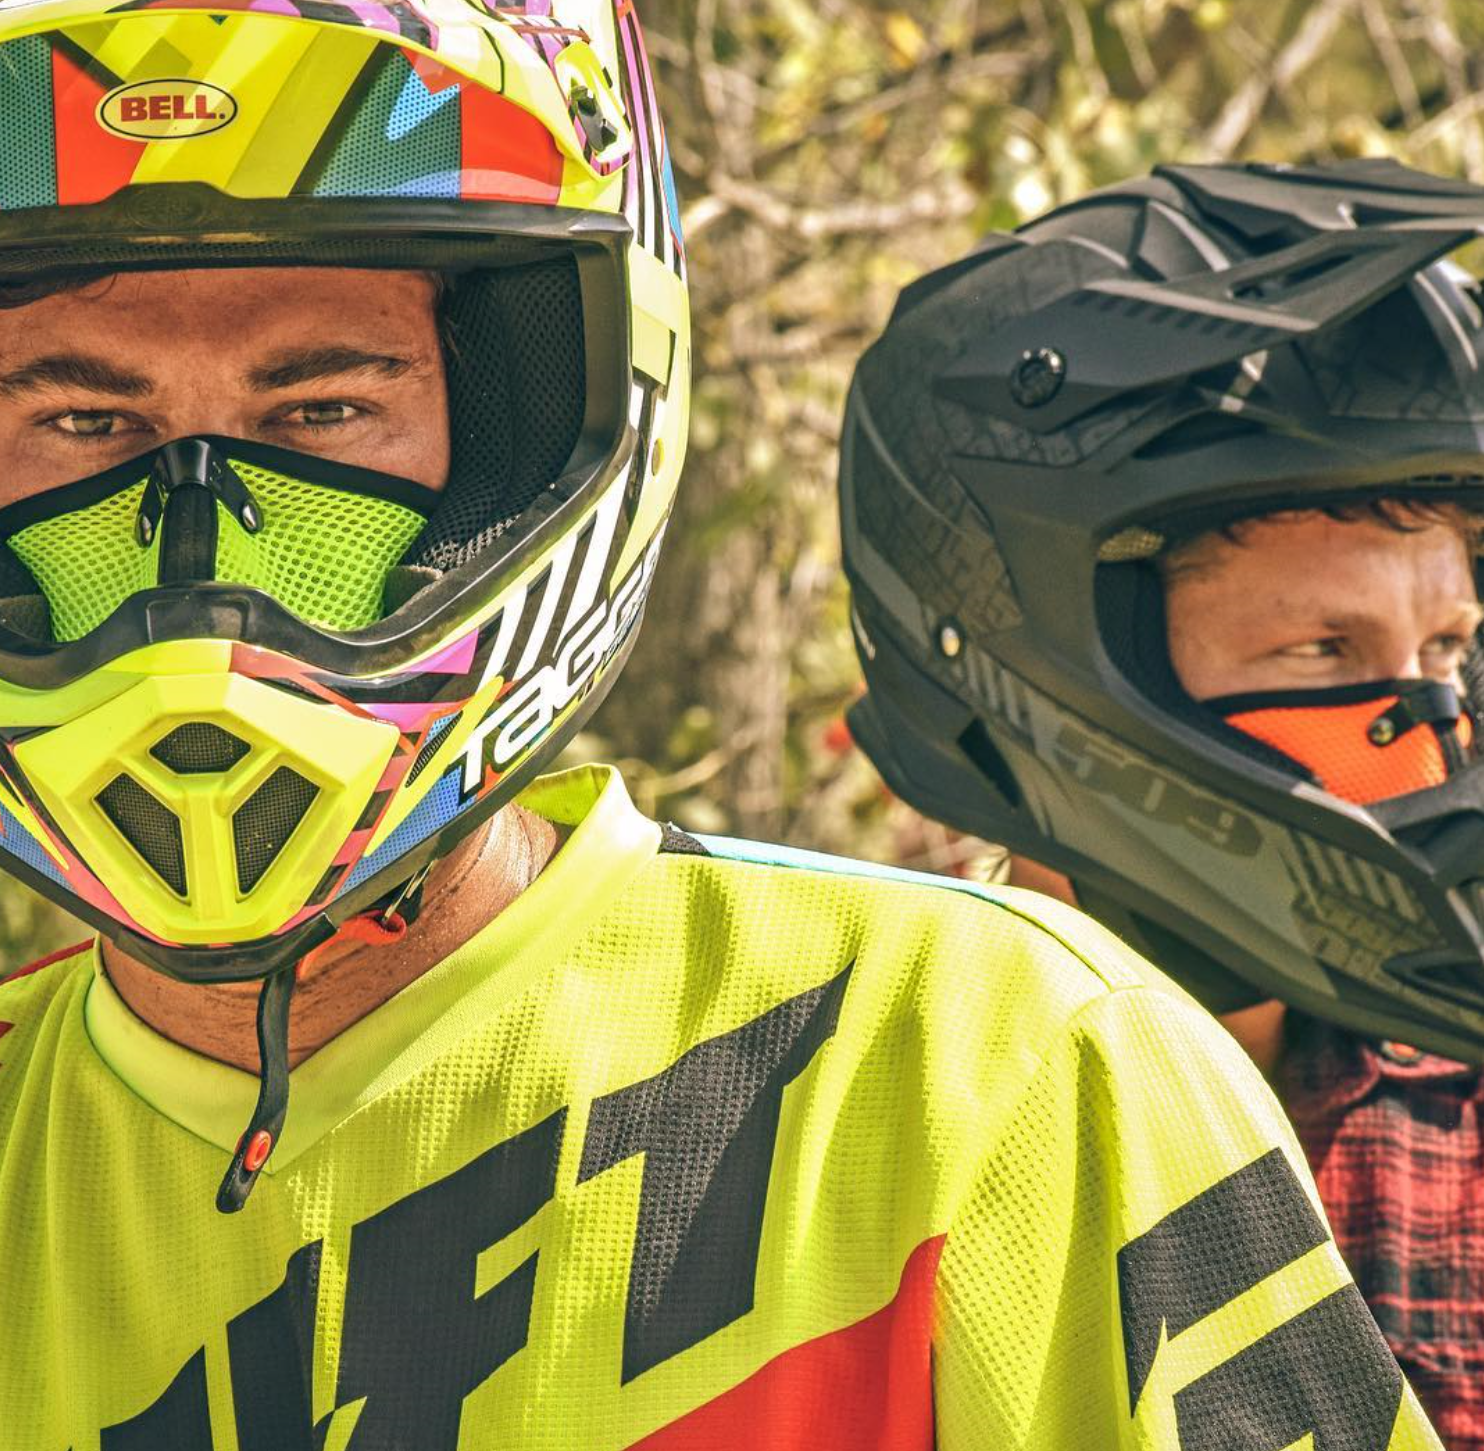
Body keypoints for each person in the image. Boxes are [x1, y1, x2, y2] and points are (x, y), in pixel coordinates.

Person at [0, 5, 1442, 1444]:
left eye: (319, 410)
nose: (202, 557)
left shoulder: (990, 1060)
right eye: (80, 423)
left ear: (518, 434)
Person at [840, 157, 1484, 1448]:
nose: (1424, 728)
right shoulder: (828, 1123)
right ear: (1053, 652)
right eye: (1320, 654)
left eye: (1448, 653)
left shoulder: (1459, 1116)